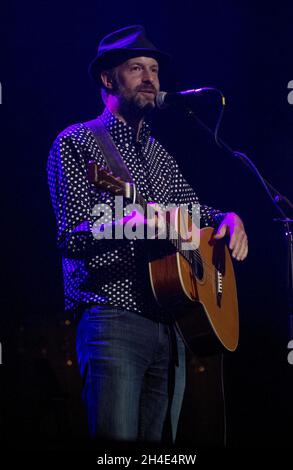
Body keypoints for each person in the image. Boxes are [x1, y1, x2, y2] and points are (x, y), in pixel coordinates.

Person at [47, 25, 248, 445]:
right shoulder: (80, 142)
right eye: (136, 67)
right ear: (108, 79)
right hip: (111, 317)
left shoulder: (160, 155)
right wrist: (139, 222)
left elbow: (195, 212)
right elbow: (71, 234)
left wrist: (228, 218)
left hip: (171, 322)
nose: (149, 78)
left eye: (154, 69)